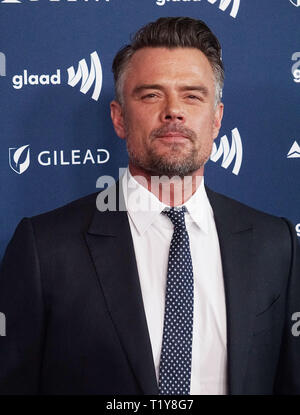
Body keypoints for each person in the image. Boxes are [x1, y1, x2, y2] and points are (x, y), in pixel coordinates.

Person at [0, 17, 299, 395]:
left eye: (192, 95)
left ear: (217, 120)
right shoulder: (45, 248)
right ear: (119, 118)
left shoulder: (277, 244)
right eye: (151, 95)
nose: (174, 110)